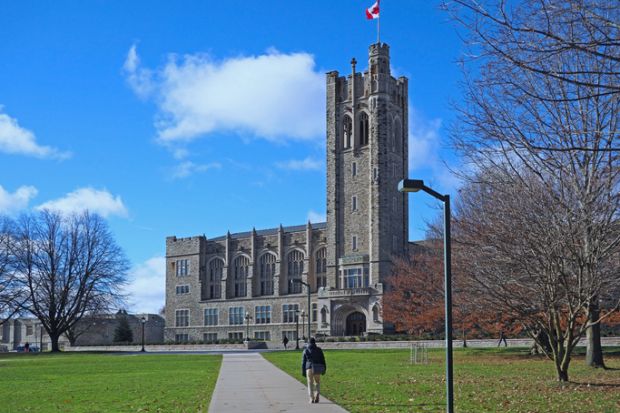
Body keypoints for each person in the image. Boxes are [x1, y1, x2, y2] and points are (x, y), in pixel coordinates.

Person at [301, 337, 326, 404]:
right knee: (317, 382)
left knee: (310, 383)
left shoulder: (306, 350)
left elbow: (303, 362)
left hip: (309, 367)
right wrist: (324, 368)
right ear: (315, 342)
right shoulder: (319, 350)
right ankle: (317, 393)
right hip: (317, 367)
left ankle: (311, 398)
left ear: (308, 342)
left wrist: (303, 371)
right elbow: (323, 359)